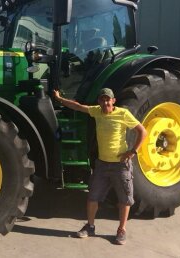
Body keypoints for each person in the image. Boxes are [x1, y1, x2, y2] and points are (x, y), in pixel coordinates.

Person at [53, 88, 147, 245]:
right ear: (99, 102)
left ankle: (121, 230)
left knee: (124, 199)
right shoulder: (97, 111)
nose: (105, 102)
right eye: (102, 100)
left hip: (120, 165)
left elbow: (142, 132)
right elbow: (77, 106)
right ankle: (90, 226)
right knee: (92, 197)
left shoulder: (123, 114)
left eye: (108, 99)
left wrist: (133, 151)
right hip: (102, 164)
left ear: (113, 100)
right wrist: (59, 99)